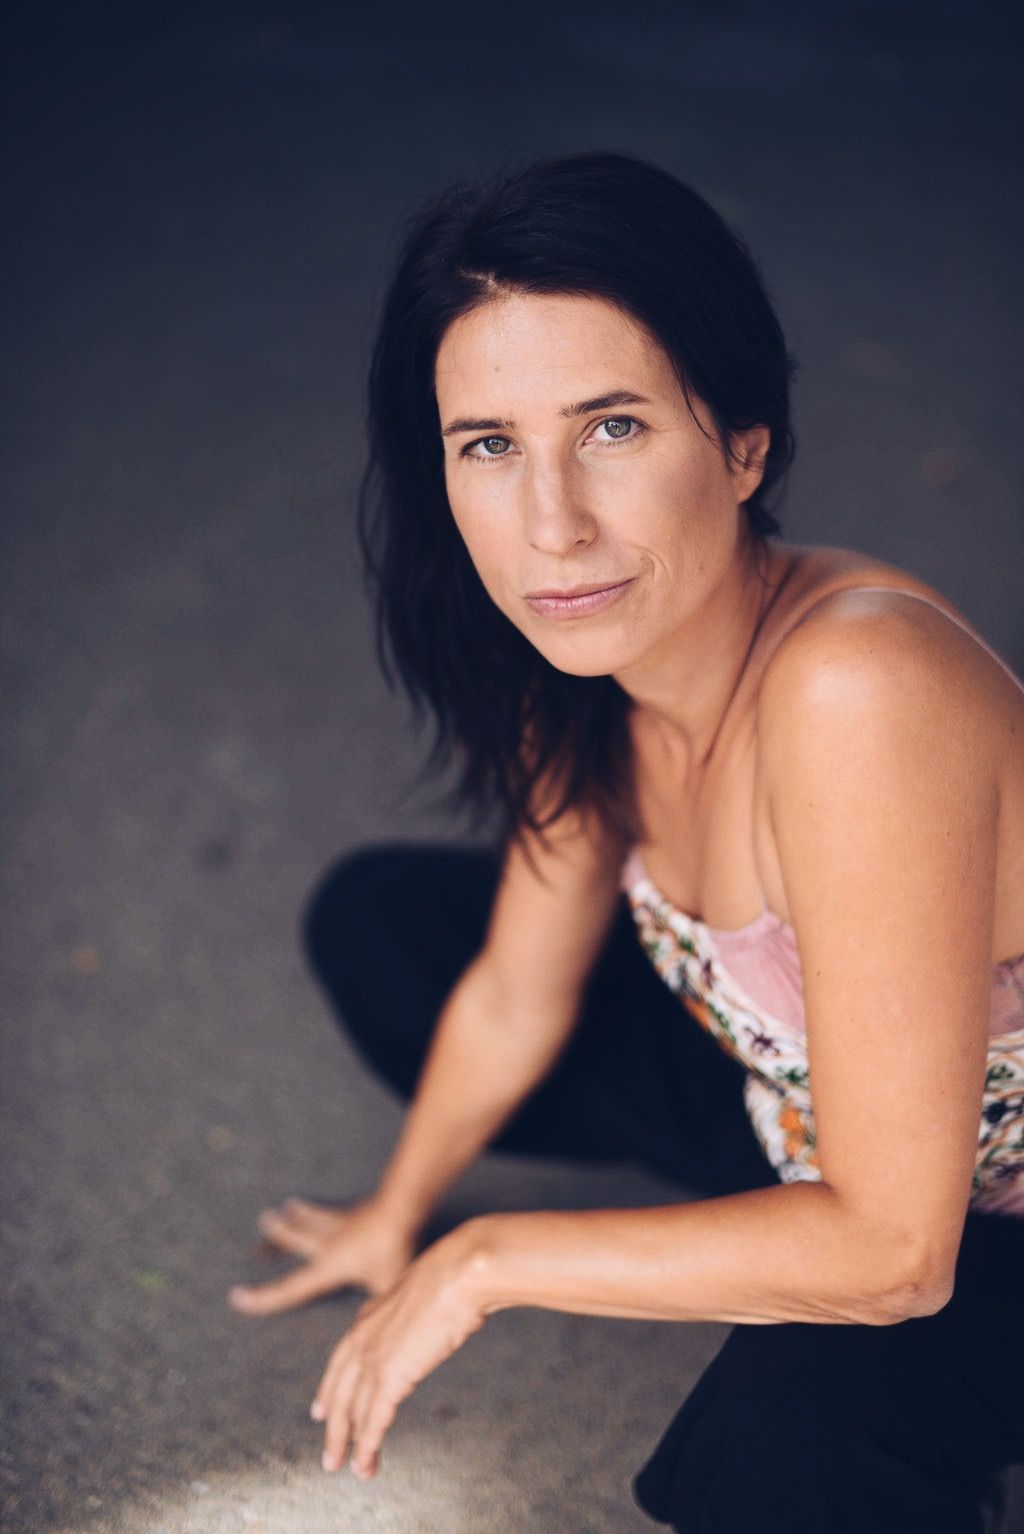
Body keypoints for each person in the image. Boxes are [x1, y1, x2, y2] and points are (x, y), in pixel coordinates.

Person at [226, 149, 1024, 1531]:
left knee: (792, 1417)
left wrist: (489, 1258)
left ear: (744, 442)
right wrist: (396, 1215)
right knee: (386, 934)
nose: (553, 525)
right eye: (490, 445)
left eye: (611, 427)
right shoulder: (587, 650)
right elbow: (516, 990)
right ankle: (765, 1230)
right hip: (799, 1111)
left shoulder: (860, 690)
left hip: (955, 1220)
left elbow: (900, 1251)